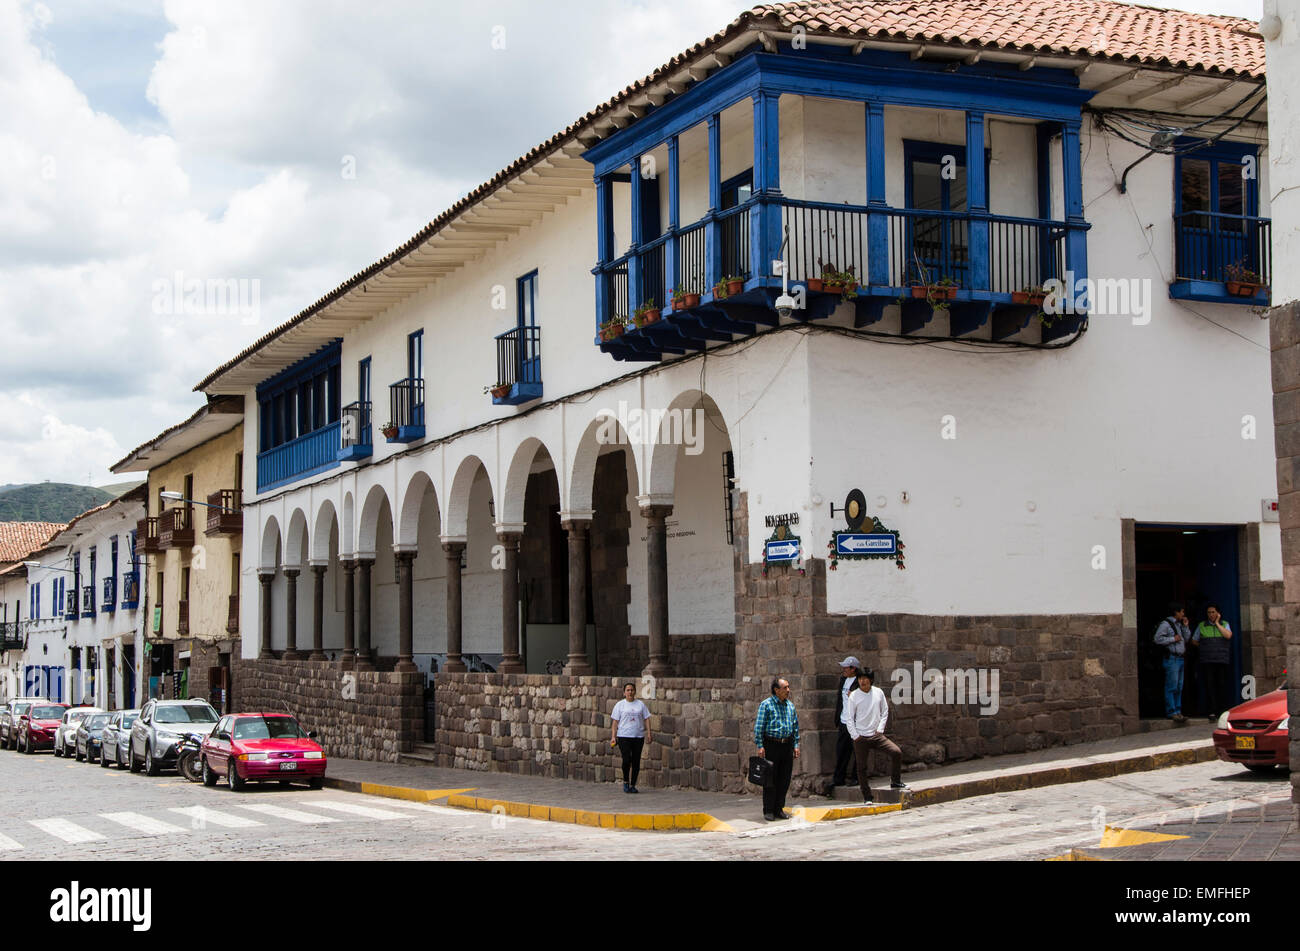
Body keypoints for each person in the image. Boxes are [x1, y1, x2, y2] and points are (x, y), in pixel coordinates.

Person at [846, 668, 907, 802]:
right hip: (861, 736)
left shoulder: (878, 692)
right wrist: (855, 735)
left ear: (871, 680)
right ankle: (867, 797)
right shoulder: (854, 696)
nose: (862, 681)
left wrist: (880, 729)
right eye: (860, 678)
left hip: (876, 735)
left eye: (865, 678)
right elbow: (849, 718)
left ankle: (895, 781)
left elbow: (884, 711)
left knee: (896, 752)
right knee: (861, 767)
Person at [754, 678, 800, 821]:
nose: (788, 690)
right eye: (785, 687)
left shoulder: (790, 706)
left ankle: (779, 808)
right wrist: (760, 745)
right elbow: (759, 727)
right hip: (771, 745)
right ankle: (768, 810)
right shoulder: (766, 705)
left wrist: (796, 745)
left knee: (784, 779)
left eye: (788, 687)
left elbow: (795, 727)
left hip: (786, 745)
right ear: (776, 690)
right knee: (770, 779)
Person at [1192, 604, 1233, 720]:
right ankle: (1212, 711)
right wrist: (1205, 647)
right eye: (1209, 612)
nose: (1211, 614)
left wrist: (1217, 623)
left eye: (1213, 612)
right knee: (1210, 686)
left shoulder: (1225, 624)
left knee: (1221, 685)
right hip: (1208, 660)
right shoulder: (1202, 625)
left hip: (1221, 660)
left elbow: (1228, 635)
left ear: (1218, 613)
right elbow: (1194, 641)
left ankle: (1222, 710)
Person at [609, 683, 651, 793]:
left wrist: (649, 733)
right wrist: (613, 736)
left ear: (635, 692)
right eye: (628, 690)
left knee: (636, 761)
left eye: (632, 690)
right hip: (623, 736)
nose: (630, 692)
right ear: (624, 692)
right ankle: (626, 781)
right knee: (627, 759)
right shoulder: (620, 705)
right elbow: (615, 722)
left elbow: (646, 718)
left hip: (638, 737)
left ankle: (633, 785)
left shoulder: (640, 705)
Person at [1154, 602, 1191, 722]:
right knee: (1172, 686)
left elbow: (1187, 638)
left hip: (1180, 658)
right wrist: (1172, 639)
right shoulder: (1166, 624)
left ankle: (1178, 711)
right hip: (1172, 658)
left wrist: (1185, 626)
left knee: (1179, 686)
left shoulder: (1179, 625)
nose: (1183, 614)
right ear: (1176, 612)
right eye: (1182, 612)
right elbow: (1157, 639)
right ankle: (1172, 711)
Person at [829, 656, 860, 795]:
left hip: (856, 722)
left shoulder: (860, 682)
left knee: (858, 751)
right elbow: (840, 700)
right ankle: (838, 778)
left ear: (853, 669)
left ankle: (856, 777)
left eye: (846, 668)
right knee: (842, 750)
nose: (843, 670)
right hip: (844, 720)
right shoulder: (843, 680)